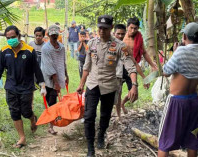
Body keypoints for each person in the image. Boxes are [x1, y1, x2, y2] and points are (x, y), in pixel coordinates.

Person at [77, 15, 138, 157]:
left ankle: (101, 134)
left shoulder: (119, 46)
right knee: (89, 115)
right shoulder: (91, 43)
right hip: (92, 85)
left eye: (105, 28)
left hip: (109, 86)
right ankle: (90, 147)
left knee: (105, 115)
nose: (101, 31)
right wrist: (81, 84)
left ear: (111, 28)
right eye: (100, 28)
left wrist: (134, 85)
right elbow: (86, 66)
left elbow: (130, 67)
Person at [158, 22, 198, 157]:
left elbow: (166, 71)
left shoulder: (181, 51)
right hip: (194, 101)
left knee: (164, 142)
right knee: (192, 141)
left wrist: (175, 52)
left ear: (184, 36)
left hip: (176, 101)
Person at [0, 25, 46, 148]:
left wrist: (42, 85)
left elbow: (36, 69)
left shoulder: (29, 51)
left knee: (26, 112)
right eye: (8, 38)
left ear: (19, 36)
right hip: (11, 87)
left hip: (26, 87)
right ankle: (22, 138)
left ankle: (32, 118)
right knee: (14, 112)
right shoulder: (5, 51)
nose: (11, 40)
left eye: (13, 37)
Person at [121, 17, 157, 108]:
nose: (133, 30)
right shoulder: (121, 39)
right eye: (131, 28)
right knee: (116, 91)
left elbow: (144, 52)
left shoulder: (138, 37)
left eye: (135, 28)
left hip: (132, 67)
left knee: (134, 94)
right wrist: (144, 77)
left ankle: (122, 103)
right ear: (127, 27)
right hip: (120, 67)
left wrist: (152, 65)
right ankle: (118, 109)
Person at [41, 25, 69, 135]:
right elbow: (49, 66)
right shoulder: (46, 48)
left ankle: (51, 123)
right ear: (48, 35)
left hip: (59, 75)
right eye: (52, 35)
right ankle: (50, 124)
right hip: (49, 78)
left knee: (53, 101)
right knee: (51, 101)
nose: (54, 37)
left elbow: (63, 62)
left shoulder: (61, 47)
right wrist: (56, 82)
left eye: (56, 35)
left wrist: (66, 75)